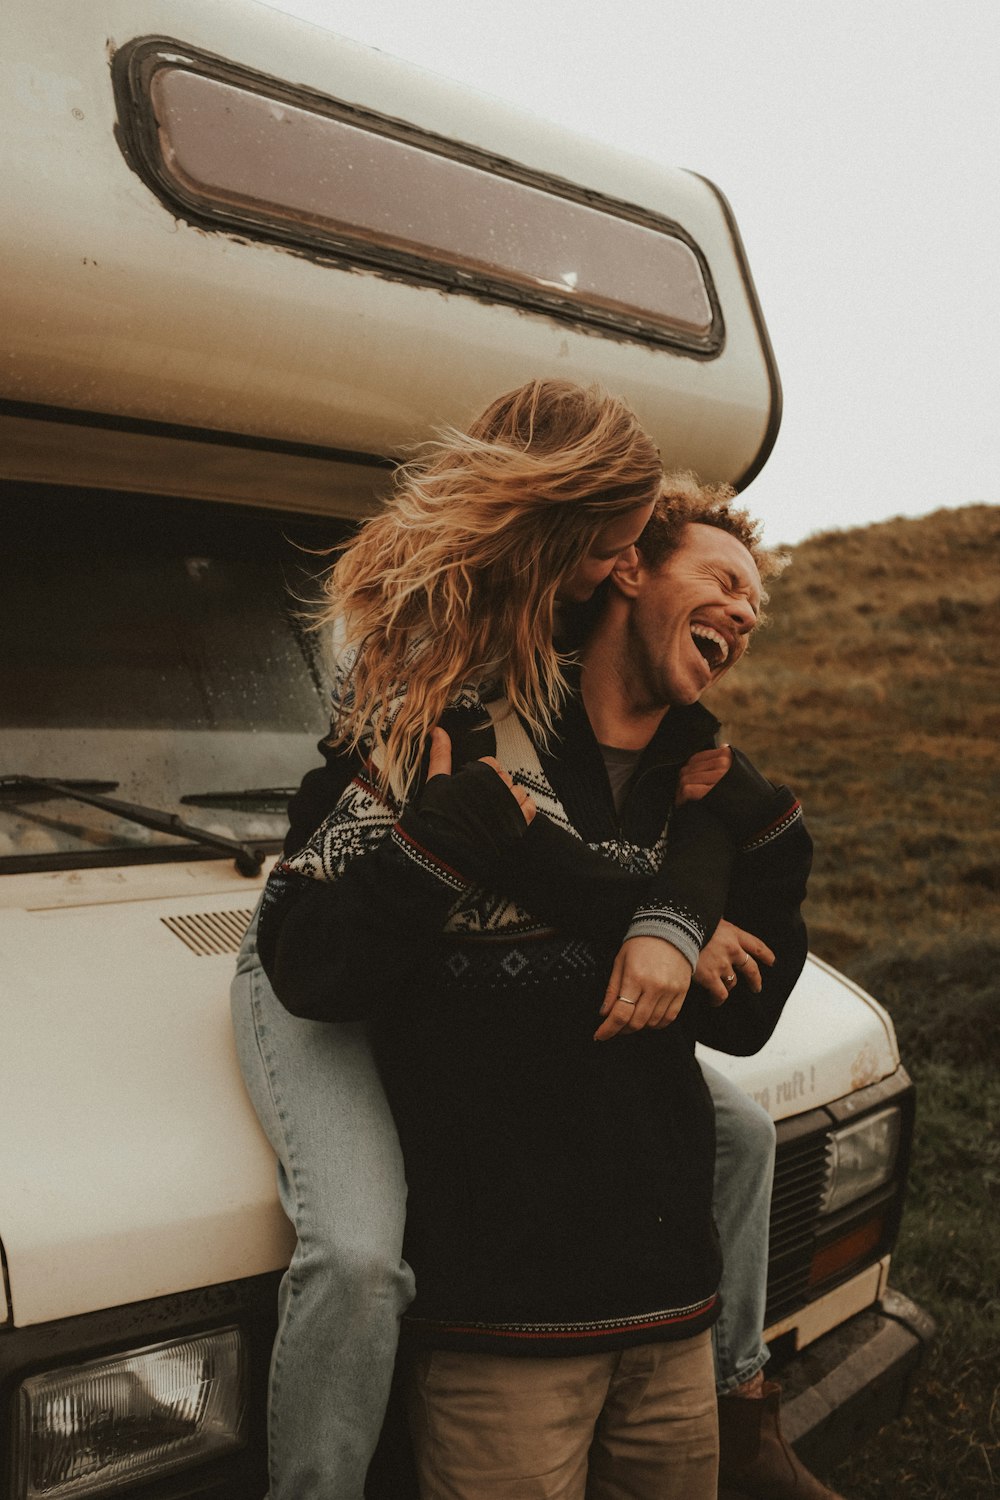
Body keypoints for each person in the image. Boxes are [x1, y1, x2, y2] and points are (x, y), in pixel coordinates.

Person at [256, 484, 833, 1498]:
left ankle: (746, 1396)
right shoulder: (467, 730)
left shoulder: (701, 791)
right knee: (350, 1256)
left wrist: (745, 858)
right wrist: (648, 916)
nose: (745, 612)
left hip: (665, 1319)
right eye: (723, 580)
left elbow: (742, 1018)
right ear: (627, 570)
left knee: (742, 1133)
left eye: (757, 604)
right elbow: (314, 955)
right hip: (504, 1316)